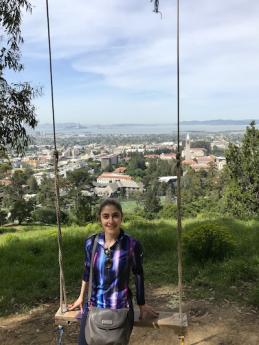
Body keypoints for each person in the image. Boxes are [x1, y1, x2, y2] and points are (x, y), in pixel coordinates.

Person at [69, 198, 158, 345]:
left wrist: (141, 304)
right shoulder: (91, 243)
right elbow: (87, 271)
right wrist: (80, 297)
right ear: (100, 218)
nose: (111, 220)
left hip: (120, 306)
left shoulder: (131, 244)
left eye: (115, 215)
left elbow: (138, 274)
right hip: (93, 304)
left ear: (122, 217)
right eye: (106, 216)